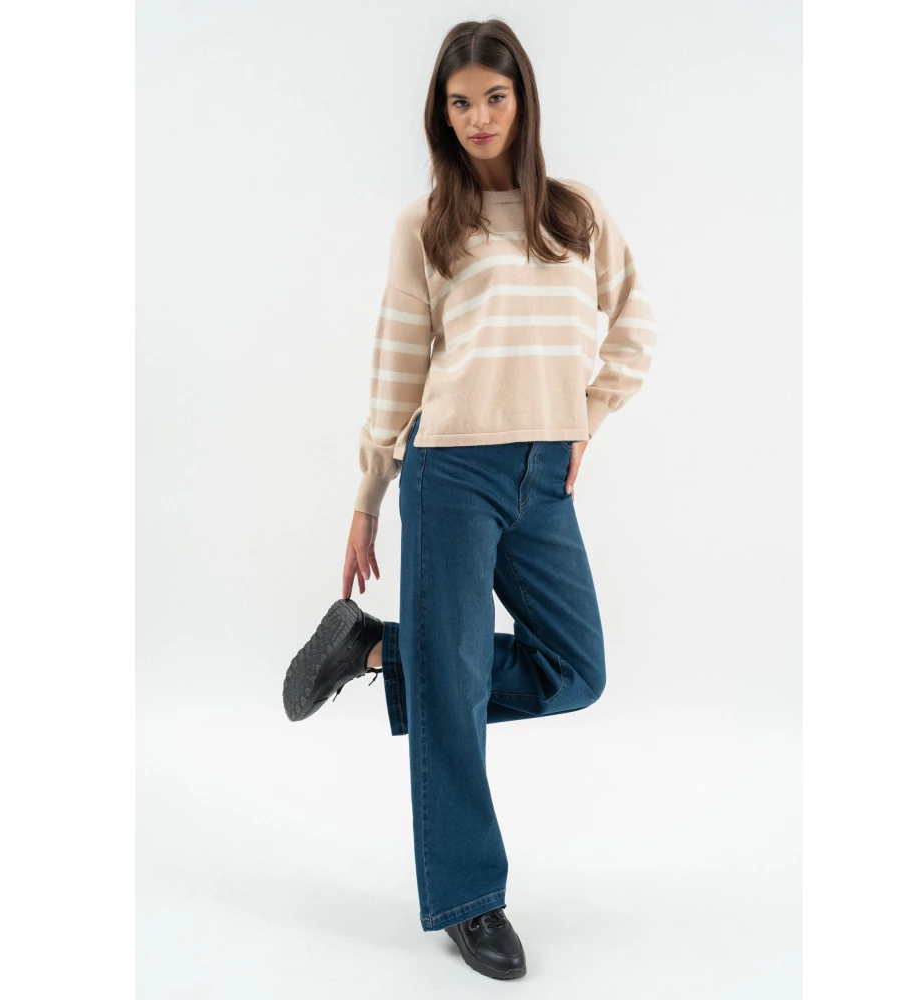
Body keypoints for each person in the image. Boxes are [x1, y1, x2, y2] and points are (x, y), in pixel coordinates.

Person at [282, 17, 657, 981]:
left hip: (546, 476)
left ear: (522, 100)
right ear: (440, 115)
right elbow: (398, 363)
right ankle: (468, 899)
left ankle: (375, 648)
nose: (479, 117)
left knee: (576, 669)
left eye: (495, 97)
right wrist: (369, 492)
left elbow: (634, 324)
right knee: (450, 691)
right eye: (460, 103)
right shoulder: (427, 225)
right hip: (450, 468)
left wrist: (588, 418)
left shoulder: (575, 212)